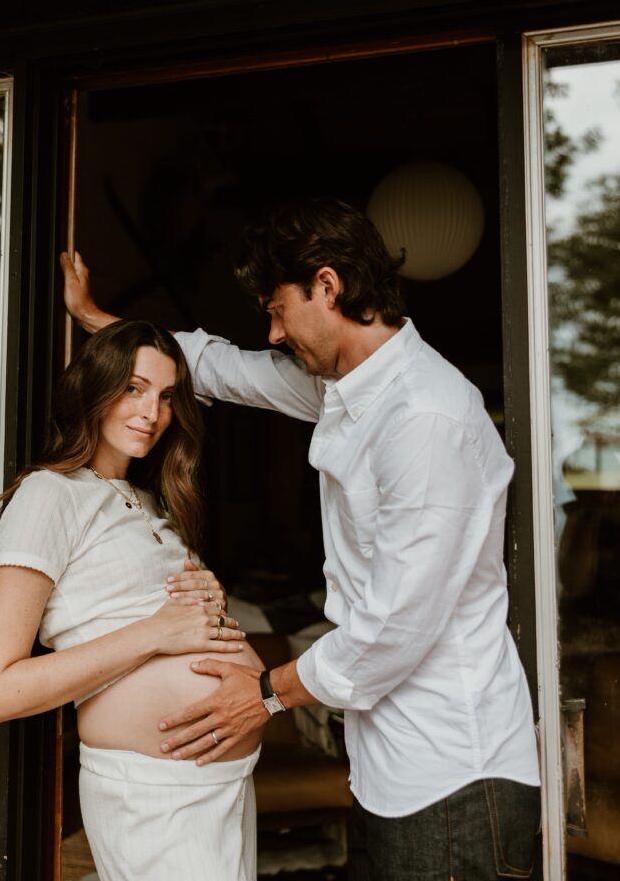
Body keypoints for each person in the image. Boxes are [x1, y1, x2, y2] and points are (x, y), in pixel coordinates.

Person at [62, 198, 541, 881]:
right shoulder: (348, 389)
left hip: (453, 777)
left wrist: (262, 693)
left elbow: (393, 629)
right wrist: (99, 324)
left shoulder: (423, 418)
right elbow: (218, 367)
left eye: (277, 309)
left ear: (327, 285)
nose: (274, 332)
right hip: (387, 768)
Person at [0, 320, 264, 881]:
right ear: (94, 389)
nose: (151, 413)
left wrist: (213, 605)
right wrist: (157, 632)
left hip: (220, 786)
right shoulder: (48, 495)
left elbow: (180, 621)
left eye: (166, 396)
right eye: (133, 388)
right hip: (153, 800)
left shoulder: (150, 501)